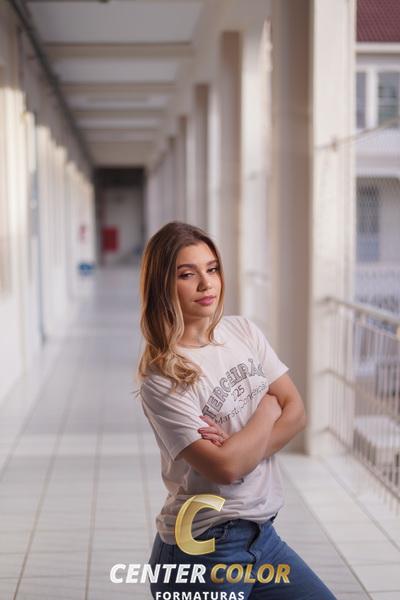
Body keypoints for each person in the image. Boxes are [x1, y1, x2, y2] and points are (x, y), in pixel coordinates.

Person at [135, 221, 337, 599]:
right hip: (203, 548)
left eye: (212, 269)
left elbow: (297, 412)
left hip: (262, 538)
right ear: (162, 285)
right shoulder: (163, 377)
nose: (206, 284)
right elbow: (225, 469)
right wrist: (267, 409)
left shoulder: (242, 332)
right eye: (187, 274)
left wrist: (239, 448)